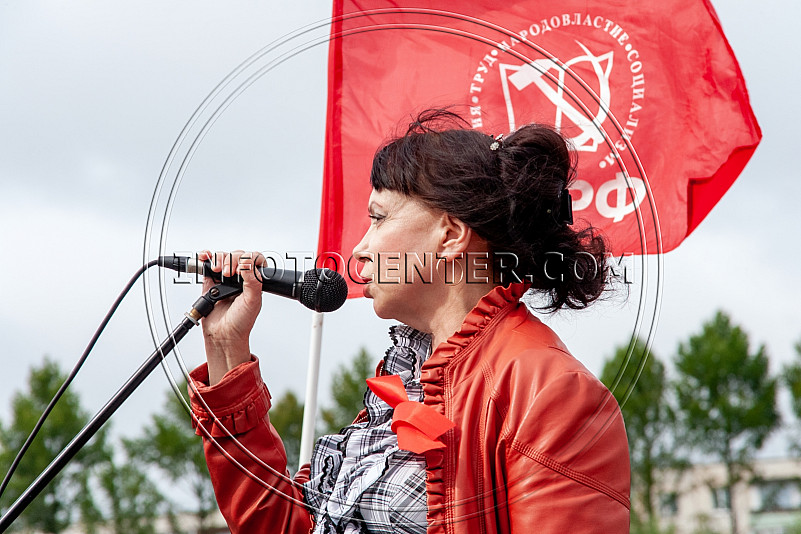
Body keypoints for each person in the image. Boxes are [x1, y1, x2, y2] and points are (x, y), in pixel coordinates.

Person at [187, 109, 631, 533]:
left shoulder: (552, 391)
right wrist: (228, 350)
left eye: (378, 218)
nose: (358, 251)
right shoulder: (406, 379)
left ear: (451, 235)